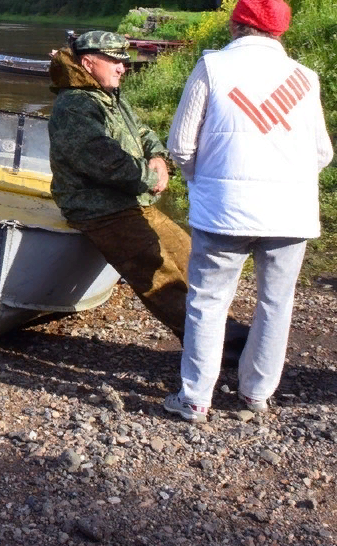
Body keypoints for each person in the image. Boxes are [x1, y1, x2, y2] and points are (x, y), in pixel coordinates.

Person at [162, 0, 333, 423]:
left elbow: (181, 145)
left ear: (236, 25)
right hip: (291, 213)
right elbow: (322, 153)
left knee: (208, 301)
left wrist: (201, 181)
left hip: (224, 211)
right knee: (276, 303)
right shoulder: (304, 78)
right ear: (279, 31)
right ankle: (256, 394)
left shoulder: (213, 67)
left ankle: (196, 398)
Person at [47, 31, 247, 355]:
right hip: (100, 210)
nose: (122, 67)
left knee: (192, 257)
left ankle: (227, 328)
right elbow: (104, 160)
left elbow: (141, 131)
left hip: (133, 202)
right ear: (88, 62)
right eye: (114, 60)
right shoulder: (75, 105)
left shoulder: (108, 94)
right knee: (158, 272)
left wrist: (158, 156)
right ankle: (210, 347)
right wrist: (149, 176)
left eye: (123, 61)